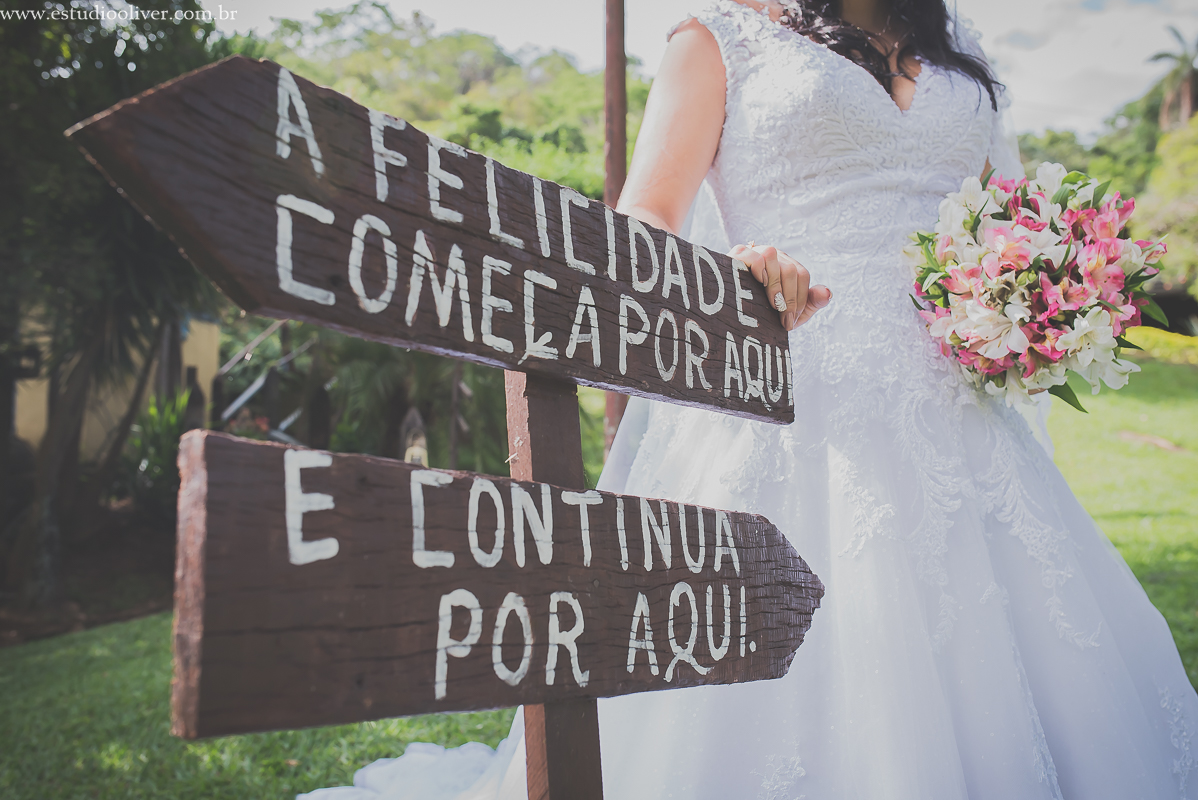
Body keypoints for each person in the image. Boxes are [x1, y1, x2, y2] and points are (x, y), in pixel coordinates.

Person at [304, 1, 1198, 798]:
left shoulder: (957, 45)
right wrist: (725, 271)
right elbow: (645, 217)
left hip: (958, 402)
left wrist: (1046, 285)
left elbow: (1000, 214)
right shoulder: (720, 35)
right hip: (788, 388)